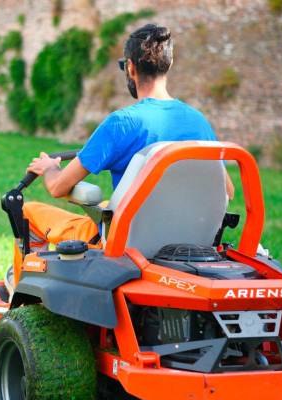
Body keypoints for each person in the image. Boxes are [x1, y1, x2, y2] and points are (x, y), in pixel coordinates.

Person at [22, 23, 235, 252]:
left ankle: (21, 286)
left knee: (28, 212)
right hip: (191, 244)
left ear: (131, 68)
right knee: (108, 205)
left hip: (126, 245)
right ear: (169, 64)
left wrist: (49, 168)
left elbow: (57, 188)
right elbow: (227, 191)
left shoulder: (120, 124)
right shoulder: (198, 122)